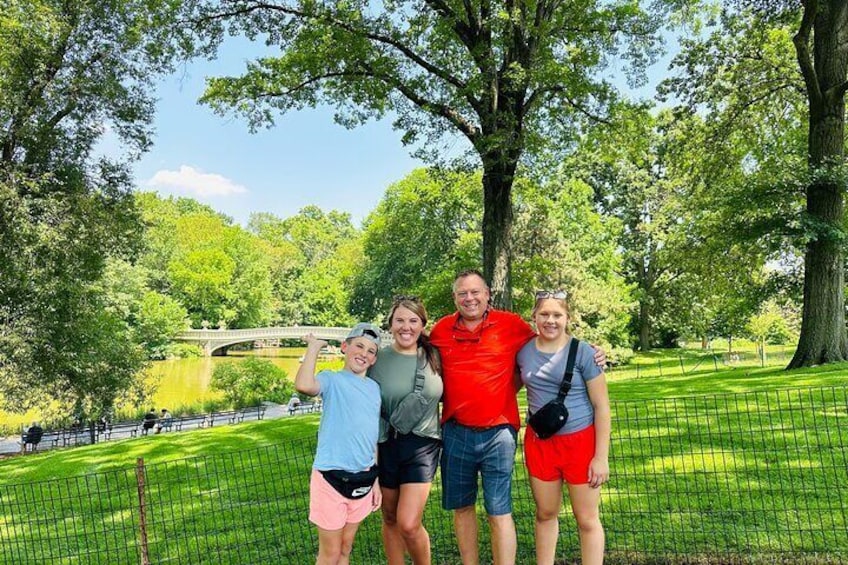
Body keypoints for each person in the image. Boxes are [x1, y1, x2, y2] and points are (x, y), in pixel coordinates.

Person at [429, 269, 605, 565]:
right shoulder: (441, 331)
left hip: (500, 433)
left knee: (499, 510)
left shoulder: (511, 326)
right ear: (455, 297)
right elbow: (415, 352)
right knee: (465, 508)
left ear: (487, 295)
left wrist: (591, 351)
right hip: (456, 431)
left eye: (476, 292)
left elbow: (556, 338)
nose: (470, 298)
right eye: (463, 293)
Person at [517, 290, 610, 565]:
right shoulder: (522, 352)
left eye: (557, 315)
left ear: (568, 317)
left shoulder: (583, 352)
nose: (550, 320)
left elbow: (602, 406)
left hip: (580, 443)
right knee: (545, 513)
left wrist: (600, 457)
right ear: (534, 316)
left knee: (587, 518)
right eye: (544, 314)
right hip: (541, 442)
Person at [295, 323, 383, 565]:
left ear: (374, 359)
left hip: (362, 479)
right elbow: (304, 385)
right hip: (330, 478)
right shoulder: (331, 380)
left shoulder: (375, 390)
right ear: (345, 347)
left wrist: (375, 478)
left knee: (345, 548)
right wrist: (313, 348)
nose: (364, 354)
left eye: (371, 351)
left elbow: (371, 435)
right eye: (359, 346)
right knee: (330, 553)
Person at [369, 296, 442, 565]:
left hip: (423, 446)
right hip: (387, 442)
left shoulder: (435, 356)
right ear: (390, 324)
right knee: (389, 516)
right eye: (399, 320)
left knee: (409, 523)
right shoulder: (376, 359)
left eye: (413, 321)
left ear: (423, 325)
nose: (406, 327)